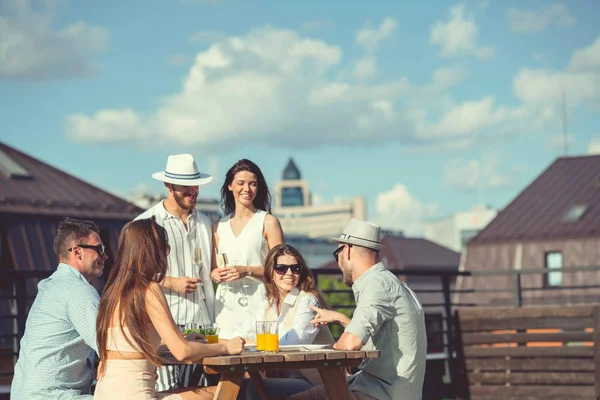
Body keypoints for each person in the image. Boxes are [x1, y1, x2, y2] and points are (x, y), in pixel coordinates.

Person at [94, 218, 245, 400]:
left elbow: (131, 347)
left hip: (104, 394)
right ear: (153, 251)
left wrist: (182, 340)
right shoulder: (148, 289)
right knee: (231, 391)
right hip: (137, 395)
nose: (167, 254)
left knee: (204, 391)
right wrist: (226, 347)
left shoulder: (113, 291)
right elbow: (182, 352)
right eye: (166, 248)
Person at [288, 218, 428, 400]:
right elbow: (384, 333)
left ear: (346, 250)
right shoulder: (392, 283)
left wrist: (338, 347)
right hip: (380, 386)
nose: (338, 262)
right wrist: (341, 318)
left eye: (336, 253)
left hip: (380, 393)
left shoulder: (375, 284)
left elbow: (351, 343)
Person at [135, 154, 215, 392]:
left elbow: (208, 270)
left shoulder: (205, 223)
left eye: (195, 186)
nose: (193, 191)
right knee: (167, 392)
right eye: (185, 187)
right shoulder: (145, 223)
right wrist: (170, 282)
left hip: (202, 324)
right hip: (164, 324)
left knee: (200, 393)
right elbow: (132, 275)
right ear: (168, 186)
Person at [11, 217, 107, 399]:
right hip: (54, 395)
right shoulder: (78, 290)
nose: (105, 256)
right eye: (99, 249)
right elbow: (111, 346)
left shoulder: (51, 285)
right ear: (77, 251)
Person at [241, 244, 334, 400]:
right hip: (285, 377)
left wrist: (256, 344)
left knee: (252, 389)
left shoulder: (308, 301)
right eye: (281, 268)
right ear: (270, 272)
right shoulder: (268, 305)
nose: (289, 273)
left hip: (317, 382)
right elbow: (241, 335)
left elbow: (293, 342)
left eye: (295, 268)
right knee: (241, 385)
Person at [211, 159, 284, 339]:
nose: (247, 189)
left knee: (257, 359)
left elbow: (281, 268)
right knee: (225, 359)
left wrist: (247, 270)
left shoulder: (268, 222)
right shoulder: (218, 226)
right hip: (225, 304)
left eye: (253, 184)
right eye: (241, 183)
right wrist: (215, 274)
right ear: (230, 186)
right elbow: (214, 268)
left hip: (259, 302)